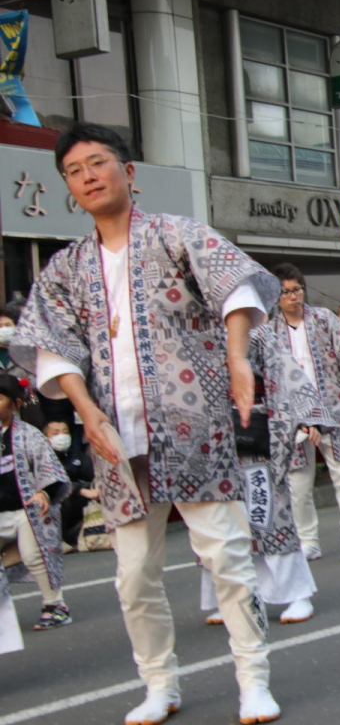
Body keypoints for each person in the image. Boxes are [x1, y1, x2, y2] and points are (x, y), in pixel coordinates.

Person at [11, 122, 282, 724]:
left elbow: (236, 288)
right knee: (134, 577)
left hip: (193, 428)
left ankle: (253, 678)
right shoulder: (65, 268)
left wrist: (238, 358)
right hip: (115, 438)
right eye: (74, 170)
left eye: (98, 162)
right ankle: (160, 683)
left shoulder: (176, 234)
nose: (88, 176)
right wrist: (86, 414)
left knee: (227, 559)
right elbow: (53, 349)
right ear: (68, 187)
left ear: (128, 172)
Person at [201, 327, 332, 627]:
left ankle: (297, 593)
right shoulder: (193, 329)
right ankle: (230, 595)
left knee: (267, 514)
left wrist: (308, 416)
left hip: (252, 431)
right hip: (209, 434)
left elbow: (288, 374)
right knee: (218, 521)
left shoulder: (256, 332)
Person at [270, 264, 340, 563]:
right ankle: (307, 541)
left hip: (334, 407)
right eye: (285, 292)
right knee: (299, 485)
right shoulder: (270, 330)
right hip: (293, 416)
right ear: (275, 296)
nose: (293, 296)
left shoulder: (323, 318)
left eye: (297, 289)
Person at [0, 375, 71, 630]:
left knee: (34, 555)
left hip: (27, 509)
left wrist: (44, 493)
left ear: (15, 404)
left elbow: (52, 472)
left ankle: (55, 605)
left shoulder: (30, 435)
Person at [43, 418, 97, 549]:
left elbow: (92, 473)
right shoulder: (42, 457)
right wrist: (79, 489)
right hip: (53, 499)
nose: (61, 436)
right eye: (56, 433)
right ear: (45, 438)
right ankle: (60, 539)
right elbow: (52, 483)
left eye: (65, 432)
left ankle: (85, 534)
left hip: (78, 496)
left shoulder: (75, 455)